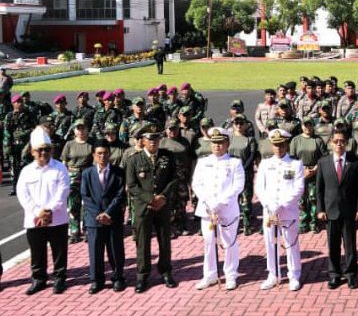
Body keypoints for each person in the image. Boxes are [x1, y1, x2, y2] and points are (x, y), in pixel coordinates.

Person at [125, 123, 179, 293]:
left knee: (164, 241)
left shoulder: (167, 156)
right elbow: (132, 185)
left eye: (156, 138)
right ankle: (142, 276)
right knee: (142, 242)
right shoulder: (134, 159)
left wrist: (162, 197)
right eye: (150, 138)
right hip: (143, 207)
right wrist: (150, 199)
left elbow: (174, 178)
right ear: (142, 140)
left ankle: (165, 272)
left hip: (162, 206)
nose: (154, 142)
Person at [16, 127, 70, 295]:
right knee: (37, 251)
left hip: (58, 217)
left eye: (47, 149)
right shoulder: (26, 171)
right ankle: (39, 279)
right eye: (40, 150)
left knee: (59, 251)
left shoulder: (60, 168)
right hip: (34, 219)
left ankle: (60, 279)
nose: (44, 153)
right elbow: (22, 194)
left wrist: (49, 210)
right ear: (32, 151)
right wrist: (37, 212)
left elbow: (63, 192)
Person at [192, 127, 245, 291]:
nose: (217, 146)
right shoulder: (203, 162)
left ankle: (230, 274)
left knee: (229, 243)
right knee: (208, 243)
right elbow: (196, 184)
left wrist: (219, 204)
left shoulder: (235, 163)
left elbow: (237, 186)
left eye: (220, 142)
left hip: (227, 209)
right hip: (207, 210)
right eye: (214, 142)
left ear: (227, 143)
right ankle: (210, 275)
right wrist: (209, 203)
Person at [255, 129, 304, 291]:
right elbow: (259, 188)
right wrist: (269, 206)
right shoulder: (265, 164)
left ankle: (294, 274)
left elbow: (298, 189)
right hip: (269, 212)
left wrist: (279, 205)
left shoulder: (295, 164)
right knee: (270, 243)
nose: (278, 148)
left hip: (287, 211)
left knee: (291, 243)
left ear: (287, 144)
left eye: (281, 144)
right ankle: (273, 274)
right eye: (275, 145)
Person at [317, 129, 358, 290]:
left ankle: (350, 274)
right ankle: (334, 275)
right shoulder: (323, 162)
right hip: (331, 211)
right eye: (336, 141)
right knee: (333, 245)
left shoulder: (355, 161)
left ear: (347, 143)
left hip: (349, 210)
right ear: (331, 142)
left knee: (350, 245)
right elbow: (319, 189)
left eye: (342, 141)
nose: (339, 144)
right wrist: (320, 209)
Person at [81, 140, 127, 293]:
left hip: (113, 218)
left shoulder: (118, 172)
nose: (102, 156)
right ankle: (96, 280)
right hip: (94, 219)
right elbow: (85, 196)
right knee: (95, 251)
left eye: (105, 153)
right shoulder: (87, 173)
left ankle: (118, 277)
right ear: (94, 155)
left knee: (115, 249)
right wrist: (98, 214)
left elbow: (120, 195)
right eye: (99, 153)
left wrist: (108, 213)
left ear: (110, 153)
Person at [60, 119, 93, 244]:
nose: (80, 131)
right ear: (74, 130)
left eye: (82, 128)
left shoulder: (91, 144)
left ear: (87, 129)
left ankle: (87, 230)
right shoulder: (69, 144)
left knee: (87, 205)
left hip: (86, 176)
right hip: (72, 176)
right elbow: (64, 162)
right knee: (73, 205)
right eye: (78, 128)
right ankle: (74, 232)